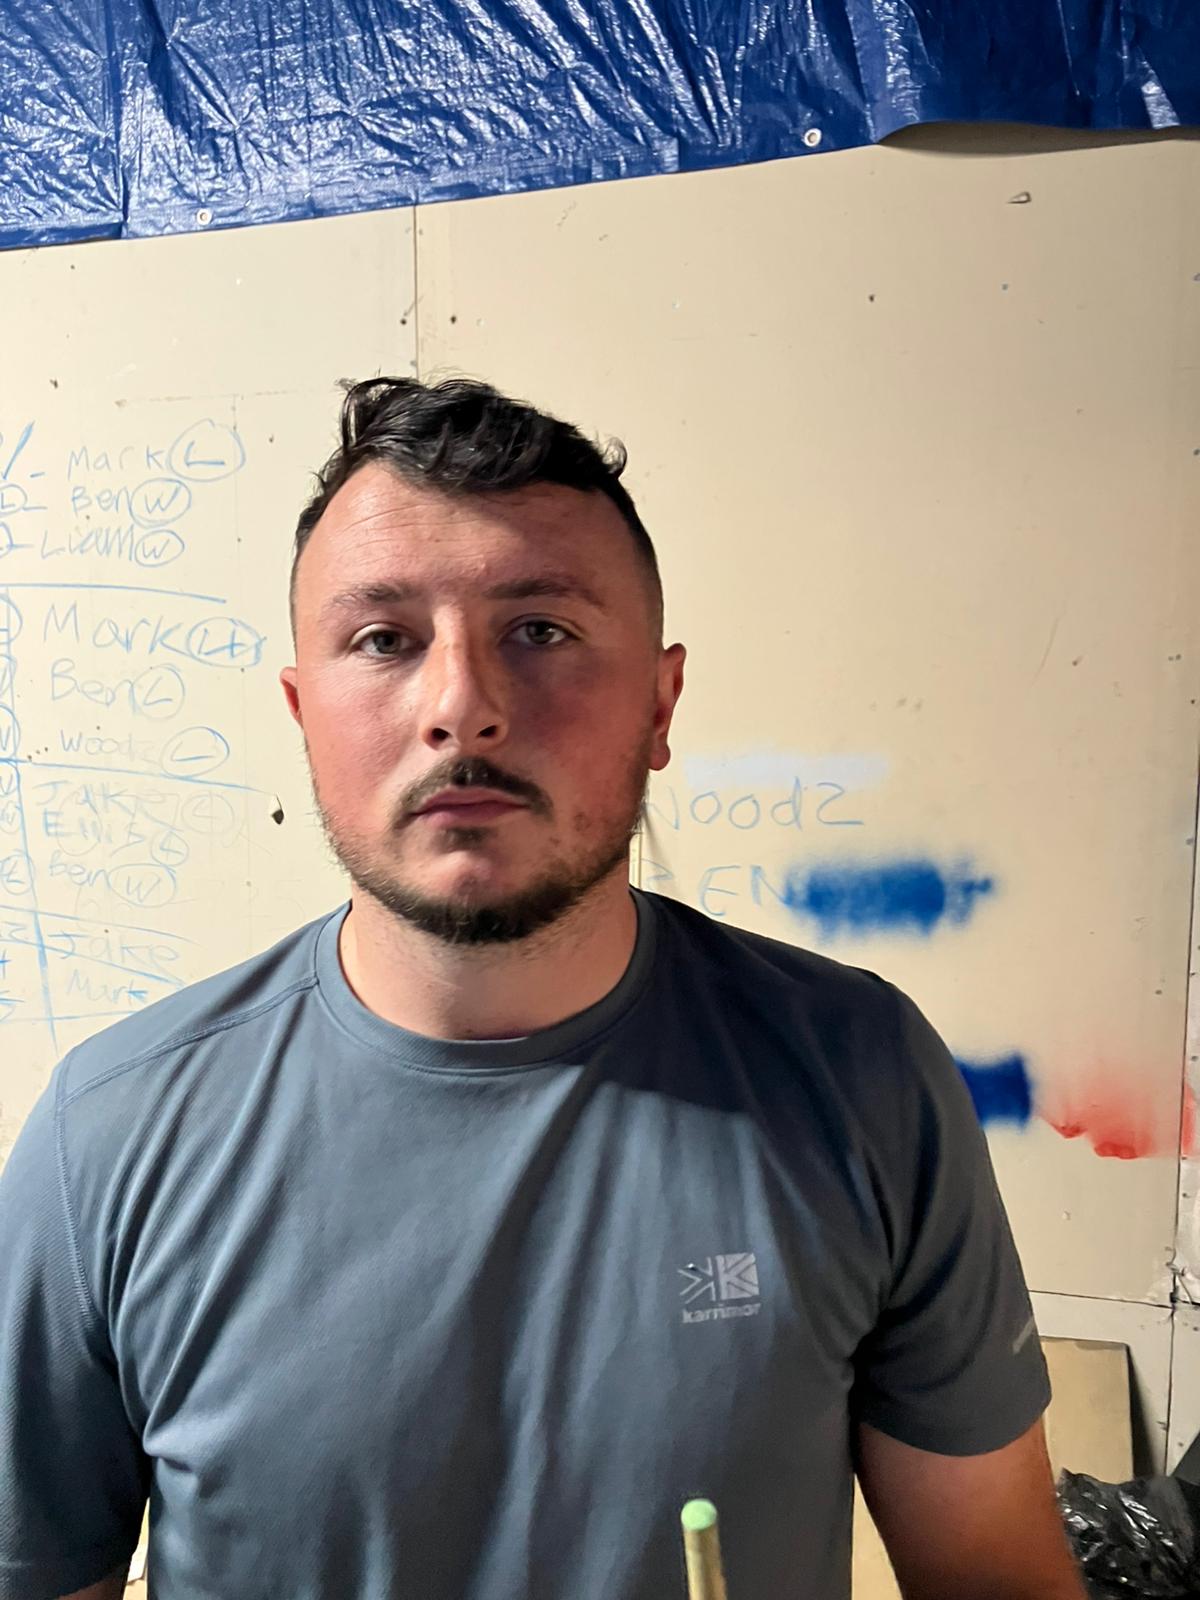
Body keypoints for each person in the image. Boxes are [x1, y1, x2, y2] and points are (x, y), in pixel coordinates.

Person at [0, 377, 1085, 1600]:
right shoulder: (106, 1140)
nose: (462, 706)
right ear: (304, 714)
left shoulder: (862, 1077)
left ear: (661, 703)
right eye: (383, 639)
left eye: (542, 630)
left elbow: (998, 1575)